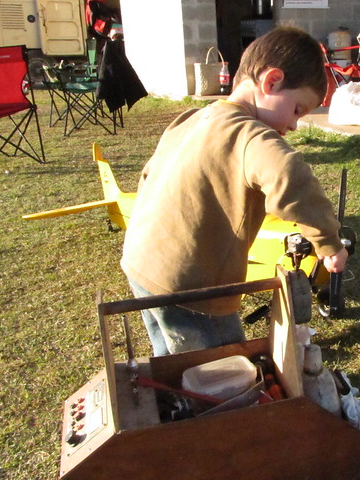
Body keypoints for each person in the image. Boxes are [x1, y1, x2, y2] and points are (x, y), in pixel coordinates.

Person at [121, 27, 348, 356]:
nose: (295, 125)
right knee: (221, 366)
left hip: (142, 264)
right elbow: (289, 176)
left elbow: (149, 174)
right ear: (271, 82)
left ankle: (178, 395)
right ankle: (215, 406)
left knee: (172, 359)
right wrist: (329, 242)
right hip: (191, 287)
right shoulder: (251, 135)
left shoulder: (195, 117)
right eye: (298, 109)